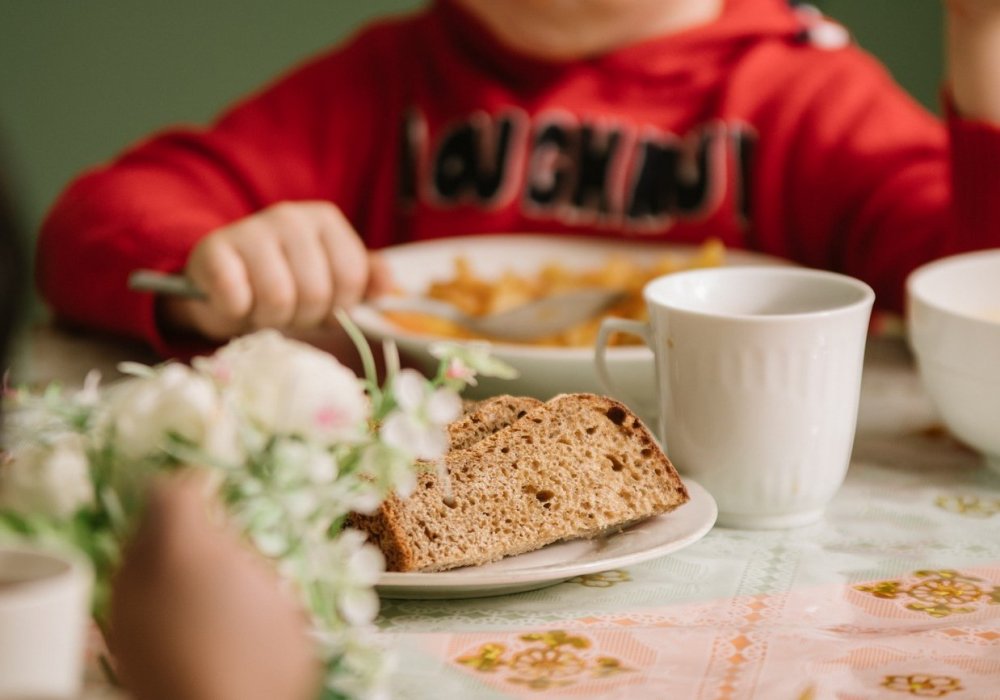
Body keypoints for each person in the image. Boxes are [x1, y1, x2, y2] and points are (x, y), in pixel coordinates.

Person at [35, 0, 1000, 360]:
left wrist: (983, 49)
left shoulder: (805, 95)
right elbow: (90, 226)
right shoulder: (389, 82)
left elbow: (973, 292)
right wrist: (218, 270)